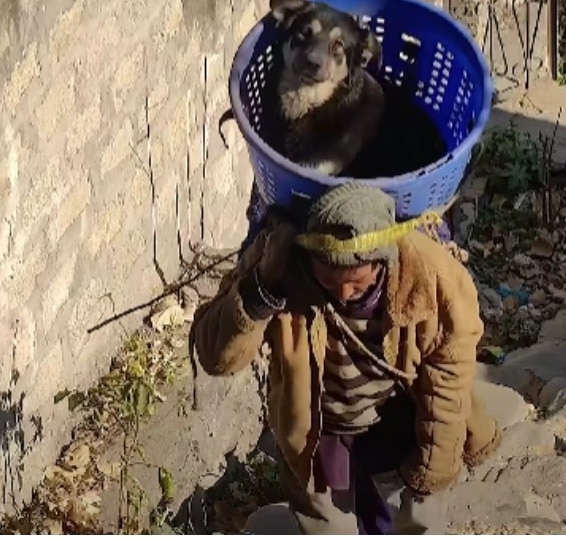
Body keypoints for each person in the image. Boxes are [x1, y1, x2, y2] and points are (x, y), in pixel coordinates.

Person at [191, 182, 500, 534]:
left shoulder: (434, 279)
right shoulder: (277, 258)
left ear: (383, 258)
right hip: (321, 429)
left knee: (416, 521)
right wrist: (261, 289)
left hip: (403, 418)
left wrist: (428, 477)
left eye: (357, 282)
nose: (343, 293)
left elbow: (447, 391)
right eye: (329, 279)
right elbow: (215, 357)